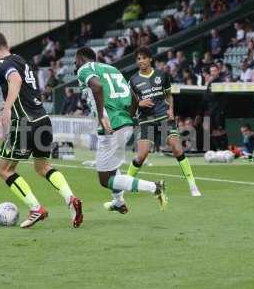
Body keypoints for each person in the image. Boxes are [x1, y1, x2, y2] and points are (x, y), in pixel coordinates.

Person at [0, 31, 83, 228]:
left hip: (24, 123)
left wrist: (7, 107)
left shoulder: (3, 64)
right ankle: (70, 198)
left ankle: (36, 208)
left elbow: (16, 80)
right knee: (42, 167)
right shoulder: (20, 59)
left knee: (4, 170)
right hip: (43, 119)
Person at [75, 47, 167, 213]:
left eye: (76, 61)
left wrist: (102, 116)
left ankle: (155, 187)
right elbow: (134, 97)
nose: (75, 65)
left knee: (105, 179)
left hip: (111, 125)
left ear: (80, 59)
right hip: (124, 122)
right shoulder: (112, 69)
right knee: (113, 167)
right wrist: (129, 118)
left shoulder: (85, 68)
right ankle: (118, 202)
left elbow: (96, 87)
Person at [127, 46, 201, 197]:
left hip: (164, 117)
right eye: (138, 59)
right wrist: (140, 104)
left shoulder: (162, 75)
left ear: (150, 59)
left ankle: (193, 185)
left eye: (143, 58)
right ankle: (126, 182)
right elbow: (129, 102)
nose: (141, 61)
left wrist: (171, 110)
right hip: (146, 120)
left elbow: (169, 95)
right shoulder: (133, 80)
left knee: (178, 149)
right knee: (141, 156)